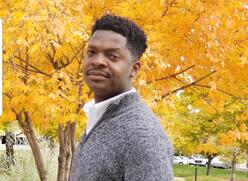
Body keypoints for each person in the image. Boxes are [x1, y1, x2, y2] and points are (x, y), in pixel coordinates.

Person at [69, 14, 173, 181]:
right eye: (91, 52)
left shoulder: (141, 135)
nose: (97, 61)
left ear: (134, 68)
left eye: (112, 56)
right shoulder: (101, 118)